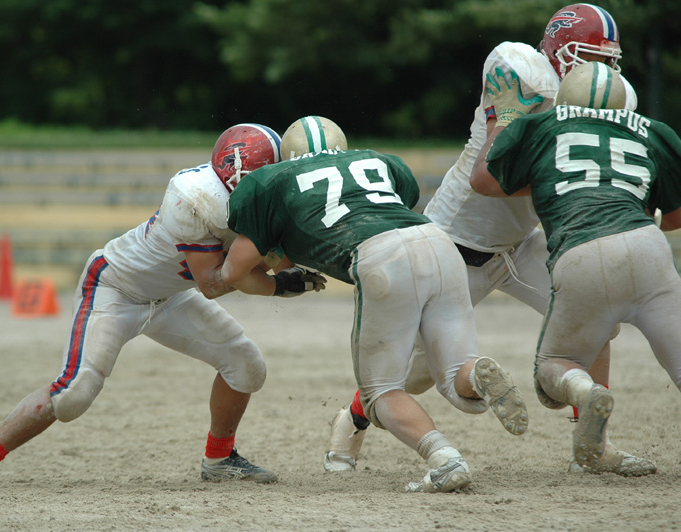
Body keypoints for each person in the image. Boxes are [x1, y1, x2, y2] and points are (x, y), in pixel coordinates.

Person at [323, 2, 657, 477]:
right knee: (413, 373)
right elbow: (488, 179)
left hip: (519, 243)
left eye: (608, 61)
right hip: (453, 247)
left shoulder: (604, 96)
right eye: (590, 57)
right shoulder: (522, 71)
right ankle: (353, 419)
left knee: (597, 314)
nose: (601, 72)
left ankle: (592, 445)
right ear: (558, 52)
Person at [0, 123, 325, 486]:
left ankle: (219, 460)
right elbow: (213, 284)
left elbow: (272, 255)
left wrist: (297, 264)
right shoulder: (196, 197)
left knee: (246, 366)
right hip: (115, 288)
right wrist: (277, 285)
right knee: (73, 394)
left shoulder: (248, 197)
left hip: (170, 295)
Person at [220, 116, 529, 493]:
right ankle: (477, 374)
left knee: (381, 393)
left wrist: (279, 285)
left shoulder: (270, 181)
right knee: (453, 375)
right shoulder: (378, 160)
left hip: (381, 258)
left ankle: (446, 460)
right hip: (438, 244)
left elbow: (233, 272)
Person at [469, 61, 681, 472]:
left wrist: (503, 118)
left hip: (581, 251)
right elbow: (675, 216)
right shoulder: (654, 132)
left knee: (554, 367)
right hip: (648, 246)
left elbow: (484, 180)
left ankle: (584, 391)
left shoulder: (540, 127)